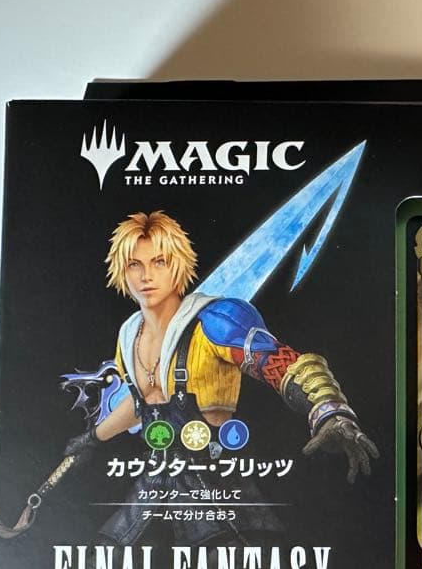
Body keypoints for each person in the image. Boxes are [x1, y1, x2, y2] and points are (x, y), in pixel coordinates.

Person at [65, 210, 378, 548]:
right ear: (121, 270)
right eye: (134, 265)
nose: (146, 276)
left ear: (178, 265)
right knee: (104, 564)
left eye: (159, 262)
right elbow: (142, 401)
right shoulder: (129, 335)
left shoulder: (215, 321)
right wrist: (93, 438)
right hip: (156, 477)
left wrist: (328, 411)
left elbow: (281, 364)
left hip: (214, 478)